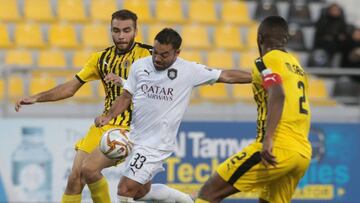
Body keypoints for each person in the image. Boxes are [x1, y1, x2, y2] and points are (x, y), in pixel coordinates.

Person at [15, 9, 188, 203]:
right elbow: (71, 88)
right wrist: (37, 97)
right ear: (111, 30)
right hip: (104, 123)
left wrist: (123, 81)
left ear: (135, 30)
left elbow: (162, 89)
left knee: (90, 169)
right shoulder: (101, 58)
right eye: (116, 30)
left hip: (131, 128)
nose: (121, 36)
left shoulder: (150, 56)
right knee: (75, 177)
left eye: (126, 30)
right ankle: (180, 198)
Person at [94, 28, 252, 202]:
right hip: (135, 139)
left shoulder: (189, 70)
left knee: (125, 189)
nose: (157, 58)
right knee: (141, 192)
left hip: (157, 145)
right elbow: (126, 96)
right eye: (155, 52)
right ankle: (187, 200)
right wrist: (108, 116)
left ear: (177, 53)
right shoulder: (139, 66)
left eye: (164, 55)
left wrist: (259, 77)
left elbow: (227, 76)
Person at [195, 16, 312, 203]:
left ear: (259, 38)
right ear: (286, 40)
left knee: (209, 192)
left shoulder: (264, 61)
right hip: (302, 153)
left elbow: (278, 94)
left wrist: (269, 139)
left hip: (277, 148)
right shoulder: (297, 67)